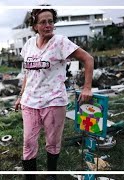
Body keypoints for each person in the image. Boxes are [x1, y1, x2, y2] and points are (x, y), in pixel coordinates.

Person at [14, 6, 94, 180]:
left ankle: (51, 175)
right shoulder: (28, 44)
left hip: (54, 101)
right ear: (35, 25)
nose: (48, 25)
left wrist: (87, 87)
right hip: (30, 102)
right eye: (43, 22)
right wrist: (21, 96)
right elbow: (28, 73)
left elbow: (88, 59)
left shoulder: (61, 42)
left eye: (51, 21)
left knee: (52, 142)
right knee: (28, 142)